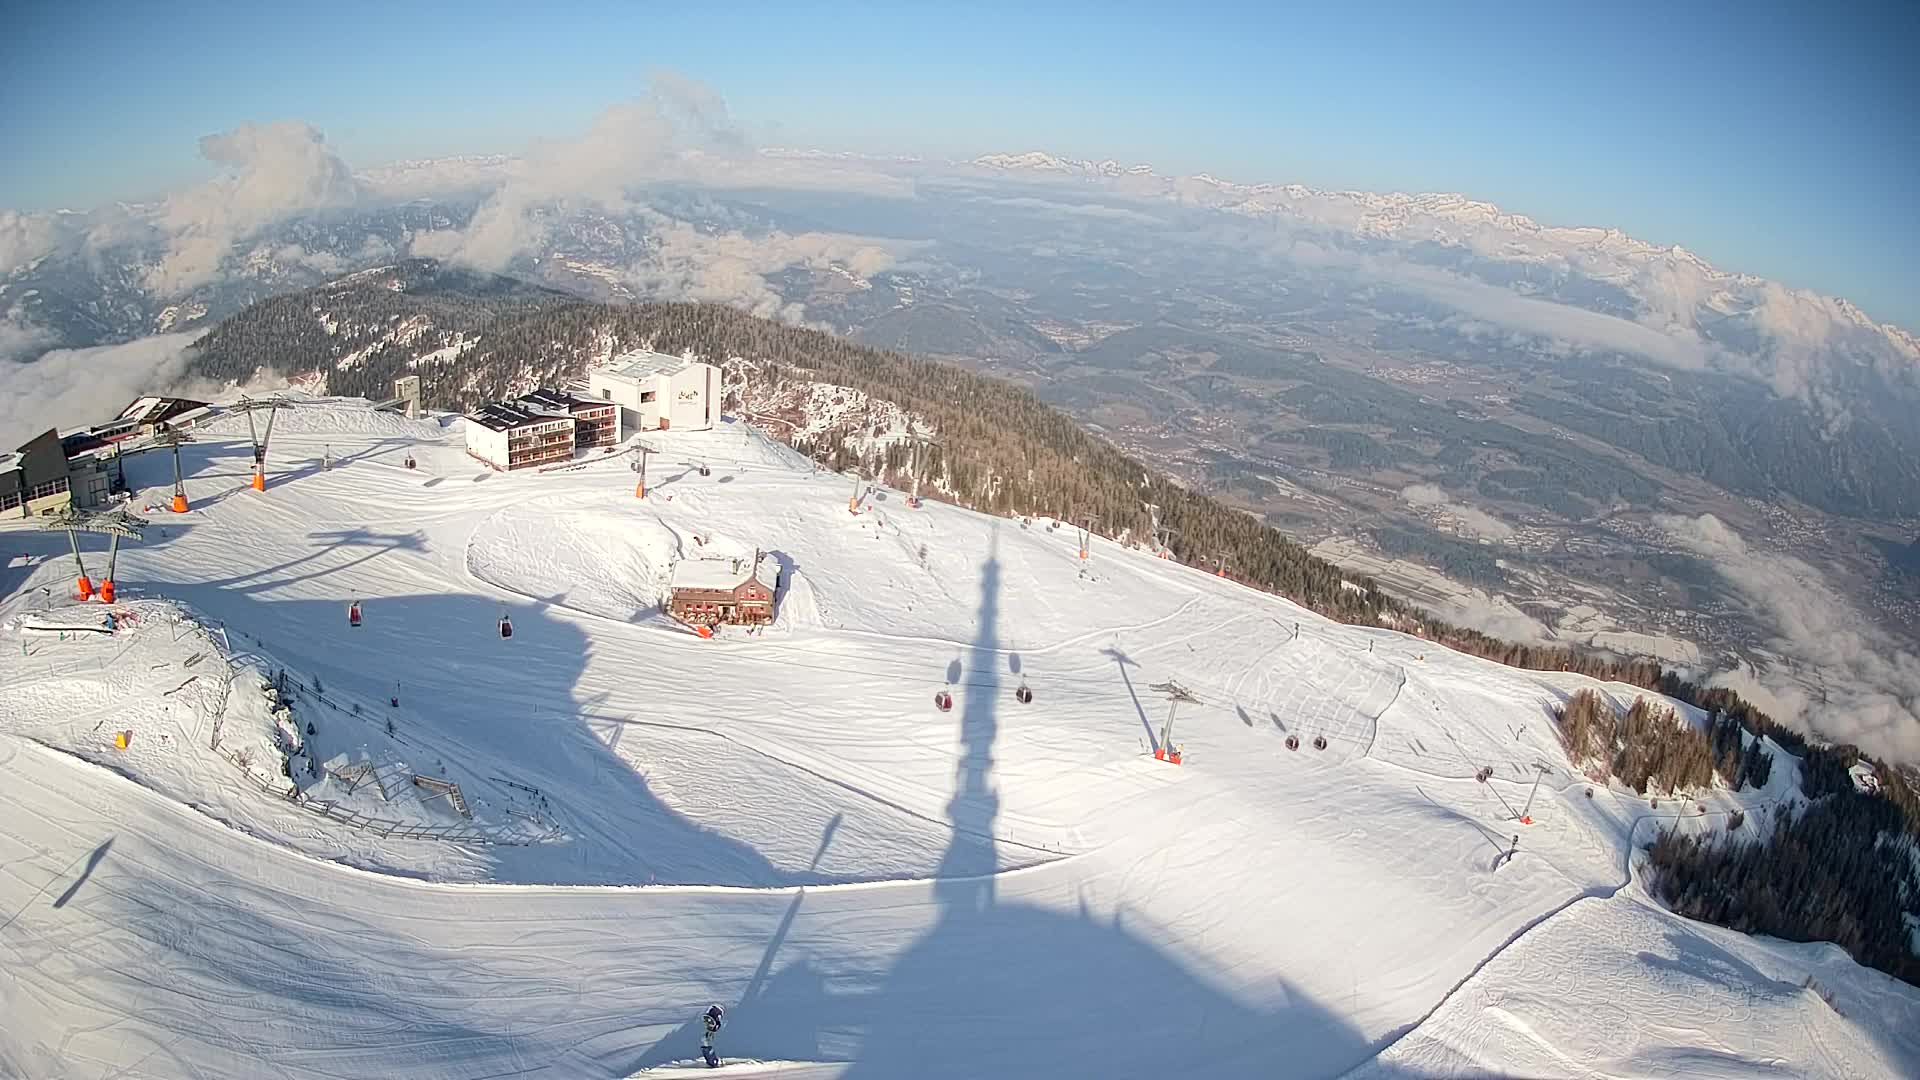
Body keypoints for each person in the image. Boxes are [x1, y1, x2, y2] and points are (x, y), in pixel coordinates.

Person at [699, 1004, 725, 1068]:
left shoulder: (722, 1033)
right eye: (706, 1021)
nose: (707, 1024)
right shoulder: (707, 1034)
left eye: (710, 1021)